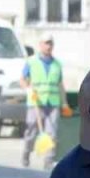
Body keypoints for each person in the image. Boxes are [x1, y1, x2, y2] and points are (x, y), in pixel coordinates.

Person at [20, 35, 65, 168]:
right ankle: (26, 154)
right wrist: (28, 89)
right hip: (35, 103)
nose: (48, 46)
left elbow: (60, 84)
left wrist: (65, 103)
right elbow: (23, 79)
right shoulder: (31, 62)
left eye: (51, 43)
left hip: (52, 103)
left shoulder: (57, 64)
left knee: (52, 133)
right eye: (46, 43)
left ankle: (48, 161)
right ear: (40, 45)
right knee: (31, 131)